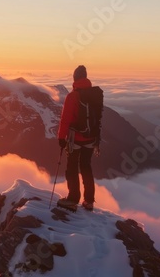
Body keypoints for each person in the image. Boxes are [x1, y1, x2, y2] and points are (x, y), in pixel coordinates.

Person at [57, 65, 100, 211]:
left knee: (72, 168)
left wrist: (61, 138)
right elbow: (98, 118)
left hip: (75, 139)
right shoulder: (95, 94)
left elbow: (65, 119)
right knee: (86, 167)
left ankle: (73, 198)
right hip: (91, 138)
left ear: (75, 78)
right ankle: (89, 201)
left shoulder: (72, 96)